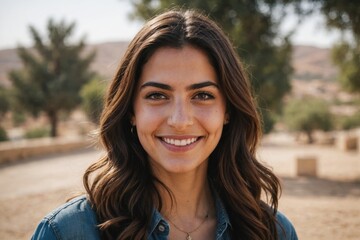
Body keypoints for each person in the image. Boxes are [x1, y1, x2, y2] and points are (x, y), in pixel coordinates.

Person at [32, 9, 298, 240]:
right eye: (157, 96)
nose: (180, 121)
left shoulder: (273, 232)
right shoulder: (65, 232)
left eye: (202, 95)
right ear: (131, 111)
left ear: (227, 110)